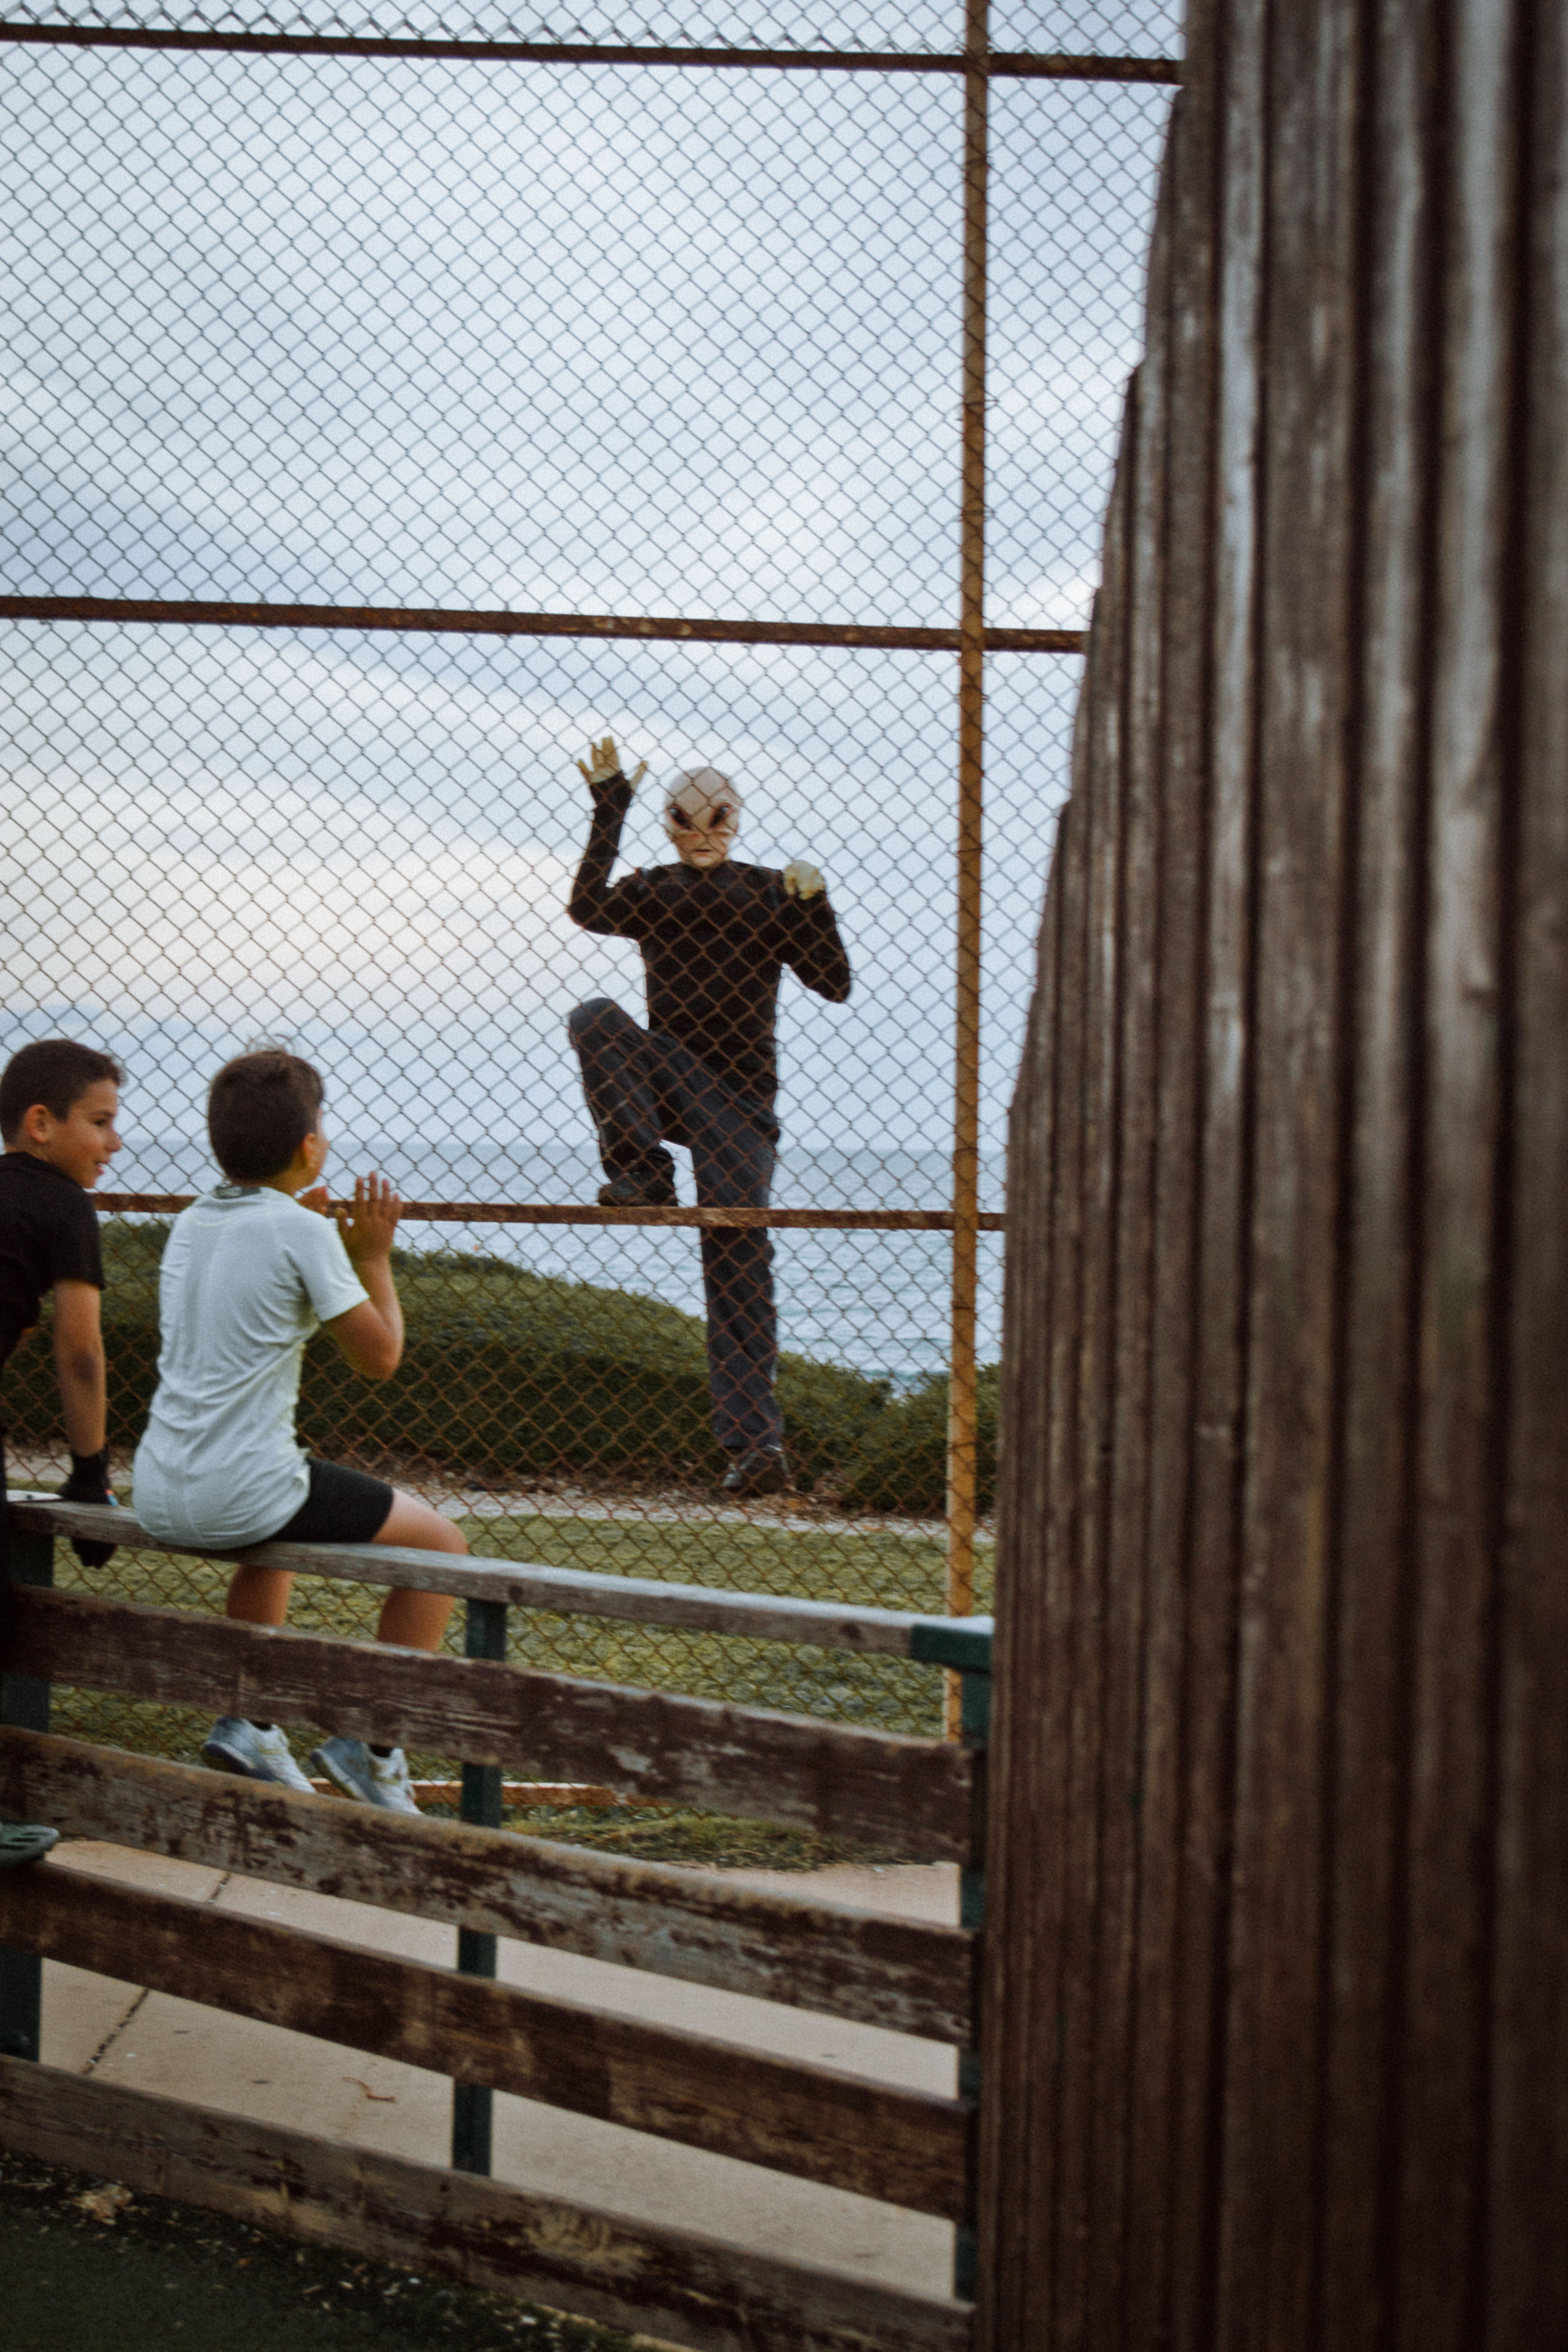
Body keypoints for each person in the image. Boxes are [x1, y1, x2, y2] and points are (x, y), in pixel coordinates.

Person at [131, 1050, 466, 1814]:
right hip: (240, 1494)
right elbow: (380, 1358)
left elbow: (252, 1288)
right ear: (310, 1145)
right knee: (442, 1545)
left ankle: (249, 1720)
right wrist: (372, 1257)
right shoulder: (304, 1233)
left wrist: (308, 1234)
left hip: (158, 1489)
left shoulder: (189, 1224)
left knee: (278, 1506)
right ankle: (372, 1742)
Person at [567, 737, 851, 1496]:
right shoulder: (654, 888)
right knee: (595, 1017)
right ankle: (640, 1172)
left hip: (741, 1110)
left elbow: (833, 983)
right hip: (667, 1084)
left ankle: (756, 1449)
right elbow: (586, 907)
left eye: (718, 814)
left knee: (736, 1266)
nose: (703, 829)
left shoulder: (767, 893)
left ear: (737, 819)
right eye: (686, 816)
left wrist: (815, 908)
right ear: (666, 822)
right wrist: (609, 809)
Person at [0, 1038, 123, 1870]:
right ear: (42, 1124)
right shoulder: (62, 1207)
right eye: (101, 1123)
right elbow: (81, 1352)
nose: (114, 1143)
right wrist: (89, 1476)